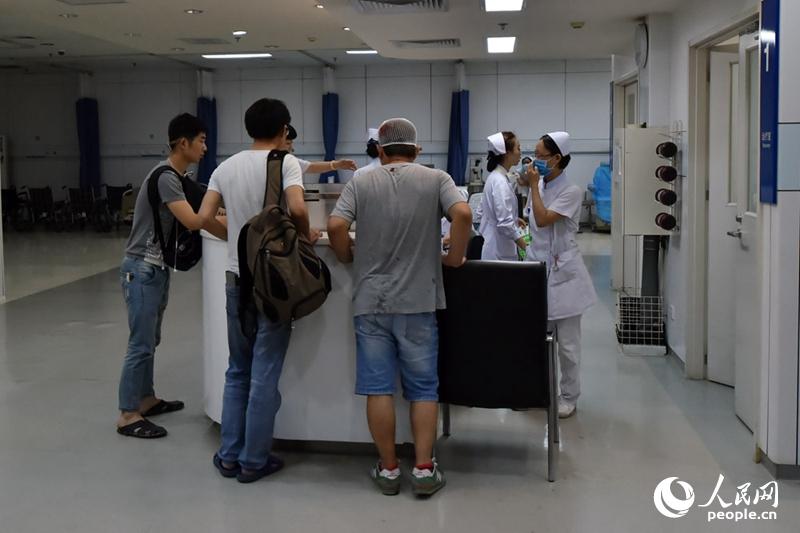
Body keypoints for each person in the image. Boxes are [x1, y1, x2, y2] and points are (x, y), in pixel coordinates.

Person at [327, 117, 472, 497]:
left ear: (379, 150)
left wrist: (344, 257)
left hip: (371, 302)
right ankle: (423, 469)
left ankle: (389, 469)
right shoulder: (436, 179)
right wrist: (454, 257)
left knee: (378, 388)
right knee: (423, 389)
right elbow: (463, 214)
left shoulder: (361, 182)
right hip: (419, 301)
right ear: (417, 150)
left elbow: (336, 226)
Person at [198, 98, 318, 483]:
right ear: (284, 129)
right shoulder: (285, 163)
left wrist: (236, 238)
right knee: (264, 373)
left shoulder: (224, 167)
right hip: (274, 283)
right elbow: (299, 209)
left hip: (237, 278)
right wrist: (303, 238)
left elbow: (203, 218)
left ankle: (229, 455)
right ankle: (254, 460)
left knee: (238, 369)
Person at [117, 113, 226, 439]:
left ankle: (146, 399)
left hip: (155, 268)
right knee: (140, 343)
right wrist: (223, 221)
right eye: (201, 141)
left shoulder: (177, 177)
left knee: (150, 340)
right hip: (141, 268)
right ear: (183, 143)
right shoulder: (166, 177)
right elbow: (193, 221)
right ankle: (127, 414)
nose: (205, 147)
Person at [521, 131, 597, 419]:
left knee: (567, 346)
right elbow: (532, 223)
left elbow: (543, 219)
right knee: (536, 341)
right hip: (537, 272)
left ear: (556, 159)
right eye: (534, 155)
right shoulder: (539, 185)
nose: (535, 161)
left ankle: (568, 396)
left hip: (564, 276)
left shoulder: (571, 192)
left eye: (540, 156)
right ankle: (539, 390)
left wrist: (533, 186)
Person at [479, 131, 528, 260]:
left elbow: (493, 213)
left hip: (496, 246)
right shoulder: (499, 181)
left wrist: (515, 219)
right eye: (518, 148)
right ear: (507, 153)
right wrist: (526, 248)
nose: (520, 152)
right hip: (498, 250)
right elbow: (505, 223)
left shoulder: (497, 177)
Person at [285, 124, 357, 177]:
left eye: (291, 143)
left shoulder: (290, 161)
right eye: (288, 143)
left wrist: (337, 164)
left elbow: (311, 167)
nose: (292, 148)